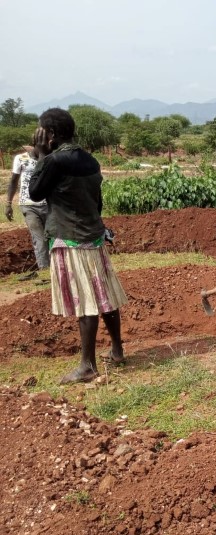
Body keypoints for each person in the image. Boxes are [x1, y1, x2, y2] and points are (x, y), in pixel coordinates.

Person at [28, 108, 128, 384]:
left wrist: (41, 155)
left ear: (49, 134)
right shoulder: (90, 160)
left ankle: (88, 366)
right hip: (93, 236)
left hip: (71, 238)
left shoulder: (55, 161)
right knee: (104, 296)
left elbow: (34, 193)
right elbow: (97, 203)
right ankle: (117, 350)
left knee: (86, 301)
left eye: (41, 131)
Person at [7, 142, 50, 273]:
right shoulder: (21, 159)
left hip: (49, 205)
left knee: (53, 237)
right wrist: (8, 203)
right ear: (35, 145)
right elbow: (14, 180)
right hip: (28, 205)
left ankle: (57, 267)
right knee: (40, 240)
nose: (44, 150)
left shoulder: (49, 159)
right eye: (42, 148)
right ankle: (45, 271)